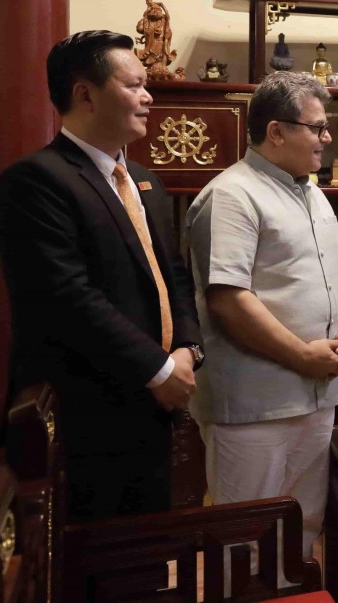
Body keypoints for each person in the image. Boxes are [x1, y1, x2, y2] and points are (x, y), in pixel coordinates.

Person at [0, 30, 202, 521]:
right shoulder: (39, 180)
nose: (149, 96)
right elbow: (67, 297)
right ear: (85, 93)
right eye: (134, 84)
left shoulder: (145, 179)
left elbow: (173, 273)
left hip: (158, 402)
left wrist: (188, 351)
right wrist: (156, 368)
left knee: (148, 549)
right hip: (90, 409)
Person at [187, 72, 338, 557]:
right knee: (247, 535)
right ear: (276, 131)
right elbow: (228, 299)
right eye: (317, 127)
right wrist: (303, 355)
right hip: (254, 404)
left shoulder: (314, 194)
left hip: (318, 392)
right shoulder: (232, 195)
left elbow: (337, 275)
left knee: (303, 525)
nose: (327, 139)